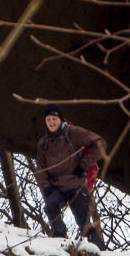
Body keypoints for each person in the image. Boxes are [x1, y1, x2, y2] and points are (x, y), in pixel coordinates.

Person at [34, 105, 106, 245]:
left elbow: (100, 144)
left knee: (83, 223)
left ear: (60, 119)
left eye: (54, 118)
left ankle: (99, 251)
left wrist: (83, 165)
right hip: (56, 187)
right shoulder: (43, 143)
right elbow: (41, 168)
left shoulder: (72, 133)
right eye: (48, 119)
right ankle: (59, 240)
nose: (51, 122)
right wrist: (46, 187)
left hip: (76, 185)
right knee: (50, 206)